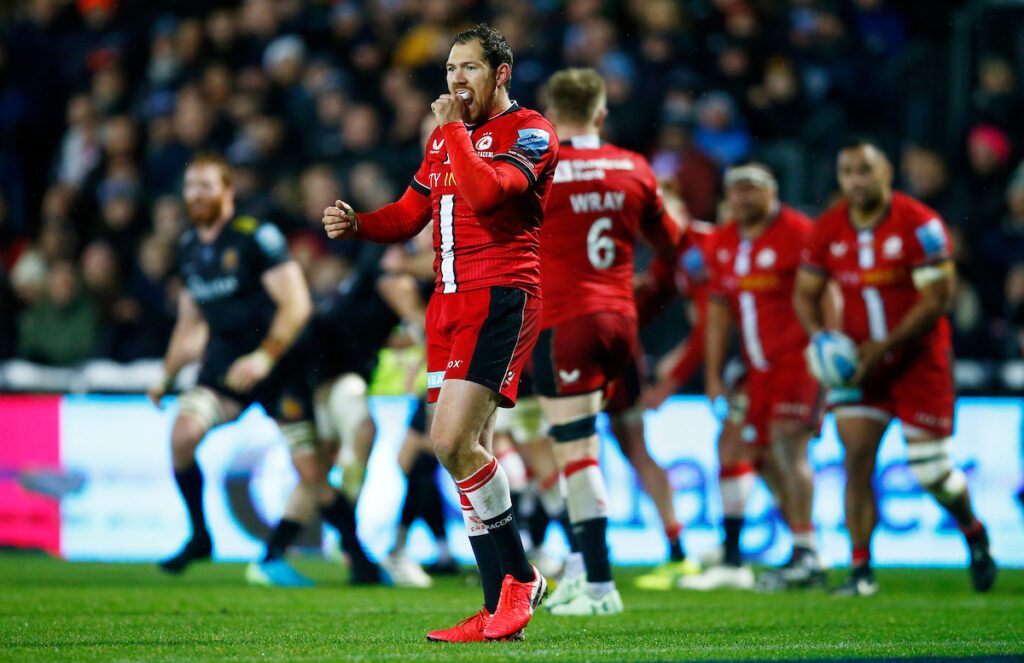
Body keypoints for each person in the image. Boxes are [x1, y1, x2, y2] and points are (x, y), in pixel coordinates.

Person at [322, 24, 558, 642]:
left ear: (500, 73)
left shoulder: (530, 133)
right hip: (446, 305)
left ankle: (521, 577)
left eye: (470, 68)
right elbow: (409, 213)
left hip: (500, 295)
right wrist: (359, 224)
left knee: (452, 441)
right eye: (450, 69)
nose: (456, 80)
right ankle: (493, 607)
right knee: (461, 454)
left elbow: (485, 196)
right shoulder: (445, 140)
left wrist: (451, 130)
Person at [149, 155, 372, 581]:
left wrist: (264, 356)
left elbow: (297, 303)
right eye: (191, 186)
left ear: (227, 190)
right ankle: (199, 536)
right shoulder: (189, 248)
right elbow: (190, 322)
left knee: (311, 472)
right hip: (225, 372)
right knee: (182, 436)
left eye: (206, 186)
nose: (196, 194)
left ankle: (359, 556)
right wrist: (166, 375)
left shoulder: (256, 238)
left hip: (278, 368)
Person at [794, 140, 997, 596]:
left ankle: (974, 531)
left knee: (931, 472)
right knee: (856, 459)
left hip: (917, 360)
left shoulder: (920, 225)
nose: (855, 179)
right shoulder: (827, 229)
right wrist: (821, 338)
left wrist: (884, 346)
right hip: (860, 366)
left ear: (887, 172)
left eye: (865, 169)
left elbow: (938, 299)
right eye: (846, 171)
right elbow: (804, 292)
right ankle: (861, 570)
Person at [530, 67, 680, 616]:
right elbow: (673, 243)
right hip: (621, 322)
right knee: (591, 446)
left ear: (549, 114)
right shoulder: (633, 167)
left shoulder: (541, 170)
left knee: (574, 450)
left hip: (565, 323)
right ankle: (577, 570)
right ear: (600, 113)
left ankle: (598, 584)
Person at [682, 162, 824, 591]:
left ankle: (802, 550)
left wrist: (828, 345)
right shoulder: (724, 242)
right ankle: (801, 546)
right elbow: (718, 314)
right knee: (741, 448)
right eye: (735, 190)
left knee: (786, 443)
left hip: (799, 362)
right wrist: (712, 375)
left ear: (771, 192)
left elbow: (827, 290)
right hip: (754, 369)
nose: (742, 198)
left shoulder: (800, 233)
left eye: (751, 189)